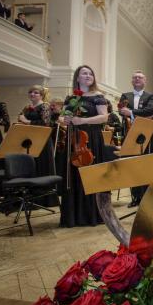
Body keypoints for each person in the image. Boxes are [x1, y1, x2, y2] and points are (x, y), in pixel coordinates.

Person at [60, 65, 108, 227]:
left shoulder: (98, 96)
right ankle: (74, 216)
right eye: (84, 73)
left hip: (91, 139)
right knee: (74, 175)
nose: (88, 76)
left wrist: (83, 121)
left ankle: (92, 214)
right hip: (74, 140)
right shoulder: (70, 98)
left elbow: (104, 118)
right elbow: (63, 117)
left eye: (90, 73)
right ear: (77, 78)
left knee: (91, 174)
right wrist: (65, 120)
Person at [118, 70, 153, 207]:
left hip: (145, 136)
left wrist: (131, 113)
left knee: (145, 165)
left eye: (140, 77)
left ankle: (146, 196)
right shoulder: (125, 95)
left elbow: (151, 110)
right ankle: (135, 197)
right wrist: (129, 113)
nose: (137, 79)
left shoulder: (150, 96)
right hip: (129, 135)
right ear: (132, 81)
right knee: (132, 166)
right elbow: (120, 111)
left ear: (145, 81)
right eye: (135, 77)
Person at [17, 85, 58, 207]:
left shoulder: (44, 106)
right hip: (29, 141)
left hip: (42, 141)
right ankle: (29, 197)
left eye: (36, 92)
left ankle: (42, 199)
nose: (32, 94)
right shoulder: (27, 107)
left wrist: (27, 121)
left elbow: (46, 124)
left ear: (41, 95)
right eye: (30, 92)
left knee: (41, 166)